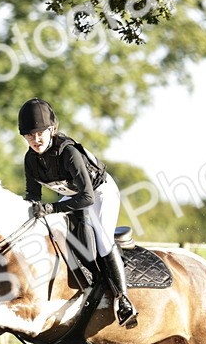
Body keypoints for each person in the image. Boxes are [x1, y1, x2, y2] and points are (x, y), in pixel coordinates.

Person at [19, 98, 138, 327]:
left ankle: (123, 300)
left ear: (52, 130)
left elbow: (87, 198)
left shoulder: (68, 152)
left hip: (99, 193)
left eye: (40, 133)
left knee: (102, 239)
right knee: (52, 231)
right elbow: (33, 198)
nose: (35, 140)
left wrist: (52, 208)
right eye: (29, 135)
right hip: (74, 195)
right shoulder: (30, 160)